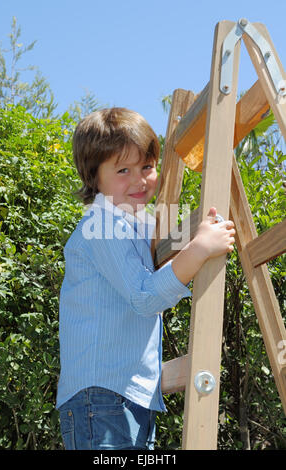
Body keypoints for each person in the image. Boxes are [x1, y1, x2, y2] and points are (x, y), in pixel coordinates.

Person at [56, 107, 235, 450]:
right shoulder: (102, 224)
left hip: (124, 396)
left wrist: (195, 234)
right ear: (94, 177)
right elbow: (144, 296)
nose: (139, 180)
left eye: (147, 167)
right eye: (123, 170)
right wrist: (198, 249)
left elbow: (168, 236)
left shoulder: (135, 224)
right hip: (104, 398)